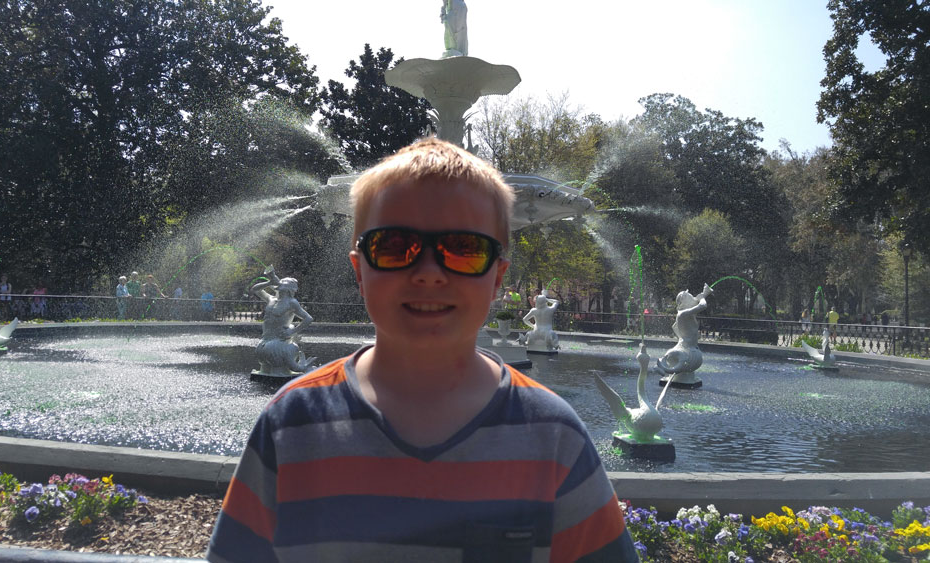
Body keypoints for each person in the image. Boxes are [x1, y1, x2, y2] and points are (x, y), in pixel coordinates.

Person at [208, 138, 637, 562]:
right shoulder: (291, 423)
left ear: (497, 279)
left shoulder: (554, 436)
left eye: (465, 249)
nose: (429, 272)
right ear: (360, 271)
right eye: (394, 247)